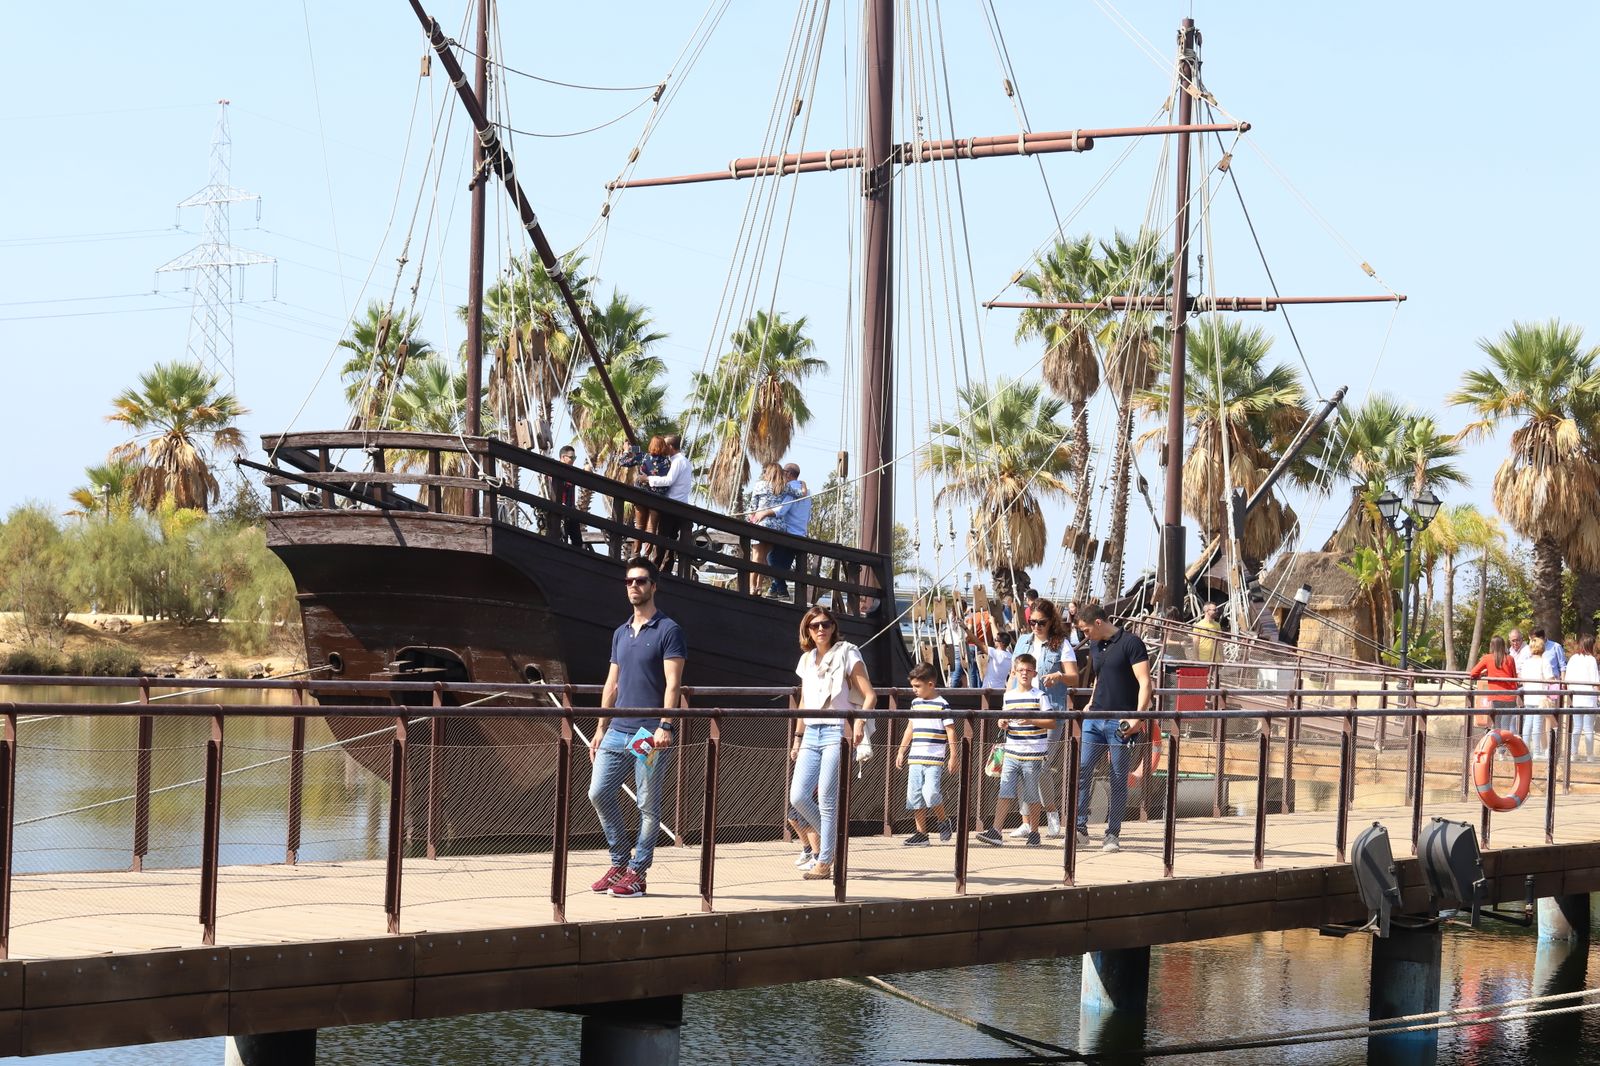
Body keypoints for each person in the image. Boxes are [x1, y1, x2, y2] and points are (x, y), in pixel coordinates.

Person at [587, 556, 687, 899]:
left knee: (647, 804)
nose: (634, 586)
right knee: (598, 792)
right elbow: (611, 683)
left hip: (648, 733)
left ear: (653, 586)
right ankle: (619, 862)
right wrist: (601, 727)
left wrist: (665, 725)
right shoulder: (620, 632)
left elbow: (673, 684)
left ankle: (638, 873)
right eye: (629, 581)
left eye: (641, 581)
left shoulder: (669, 630)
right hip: (617, 729)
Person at [789, 605, 875, 880]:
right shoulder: (806, 660)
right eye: (815, 625)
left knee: (827, 796)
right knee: (798, 796)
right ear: (807, 630)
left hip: (837, 730)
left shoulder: (847, 652)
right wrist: (797, 737)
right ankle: (833, 841)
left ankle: (825, 861)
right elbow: (804, 702)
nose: (821, 629)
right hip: (811, 731)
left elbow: (869, 695)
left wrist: (859, 722)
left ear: (833, 627)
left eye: (826, 624)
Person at [1075, 603, 1152, 854]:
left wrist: (1138, 718)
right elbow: (1100, 677)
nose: (1085, 635)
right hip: (1095, 718)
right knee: (1082, 769)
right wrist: (1090, 702)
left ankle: (1112, 833)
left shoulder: (1132, 643)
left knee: (1118, 777)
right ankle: (1079, 828)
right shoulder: (1095, 645)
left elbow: (1144, 682)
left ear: (1098, 623)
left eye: (1086, 630)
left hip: (1121, 720)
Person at [1013, 597, 1077, 838]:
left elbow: (1074, 677)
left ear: (1051, 622)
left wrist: (1059, 676)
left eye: (1041, 622)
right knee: (1021, 764)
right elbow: (1012, 675)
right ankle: (1026, 821)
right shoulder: (1023, 641)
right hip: (1022, 708)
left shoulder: (1061, 644)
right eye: (1032, 622)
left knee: (1040, 764)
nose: (1036, 627)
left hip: (1050, 710)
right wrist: (1007, 706)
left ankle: (1051, 812)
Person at [975, 653, 1053, 847]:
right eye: (1021, 670)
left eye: (1028, 670)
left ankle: (1034, 832)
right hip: (1011, 751)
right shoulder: (1008, 696)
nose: (1024, 673)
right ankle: (996, 831)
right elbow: (1004, 718)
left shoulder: (1040, 696)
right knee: (1005, 791)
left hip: (1033, 753)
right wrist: (1002, 722)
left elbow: (1052, 722)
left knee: (1031, 794)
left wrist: (1032, 720)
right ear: (1014, 673)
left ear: (1034, 673)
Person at [896, 663, 957, 845]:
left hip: (934, 758)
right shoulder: (915, 703)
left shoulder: (942, 705)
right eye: (912, 686)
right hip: (915, 757)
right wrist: (902, 750)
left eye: (917, 686)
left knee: (931, 793)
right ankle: (921, 833)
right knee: (915, 795)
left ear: (930, 684)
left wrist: (954, 756)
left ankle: (943, 820)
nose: (914, 690)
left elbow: (951, 731)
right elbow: (910, 728)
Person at [755, 463, 812, 599]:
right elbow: (808, 514)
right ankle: (775, 590)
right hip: (800, 532)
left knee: (770, 558)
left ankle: (782, 589)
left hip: (787, 532)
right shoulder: (807, 492)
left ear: (787, 474)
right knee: (784, 565)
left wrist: (764, 513)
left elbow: (782, 510)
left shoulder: (790, 489)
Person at [639, 434, 690, 564]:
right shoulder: (683, 460)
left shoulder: (677, 461)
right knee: (672, 537)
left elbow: (668, 480)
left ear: (670, 446)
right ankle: (666, 566)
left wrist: (648, 478)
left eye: (665, 445)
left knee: (662, 536)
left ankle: (656, 565)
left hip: (672, 503)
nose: (662, 447)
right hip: (681, 503)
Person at [746, 462, 795, 595]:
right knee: (764, 559)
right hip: (777, 527)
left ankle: (751, 586)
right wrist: (803, 484)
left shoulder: (760, 485)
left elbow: (752, 507)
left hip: (761, 523)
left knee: (756, 557)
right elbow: (800, 494)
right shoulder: (784, 487)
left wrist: (751, 519)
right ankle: (759, 587)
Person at [1468, 635, 1521, 731]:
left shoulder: (1487, 658)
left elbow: (1473, 673)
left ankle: (1499, 740)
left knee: (1497, 724)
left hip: (1495, 696)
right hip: (1510, 696)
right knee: (1506, 725)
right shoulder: (1510, 659)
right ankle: (1505, 740)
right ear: (1503, 645)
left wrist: (1484, 673)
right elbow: (1514, 677)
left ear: (1491, 646)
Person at [1567, 636, 1599, 761]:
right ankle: (1590, 755)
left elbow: (1568, 680)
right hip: (1589, 698)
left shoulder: (1573, 659)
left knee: (1577, 727)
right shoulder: (1591, 660)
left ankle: (1573, 754)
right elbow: (1595, 681)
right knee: (1588, 728)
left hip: (1576, 697)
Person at [1522, 635, 1555, 759]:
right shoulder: (1544, 661)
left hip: (1528, 696)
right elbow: (1550, 678)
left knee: (1527, 724)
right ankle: (1536, 751)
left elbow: (1523, 679)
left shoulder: (1527, 662)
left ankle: (1524, 749)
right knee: (1537, 724)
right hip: (1540, 697)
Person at [549, 444, 584, 549]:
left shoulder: (572, 473)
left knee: (577, 541)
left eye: (574, 458)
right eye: (571, 457)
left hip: (570, 510)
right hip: (559, 508)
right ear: (563, 457)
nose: (573, 460)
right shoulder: (555, 469)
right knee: (557, 537)